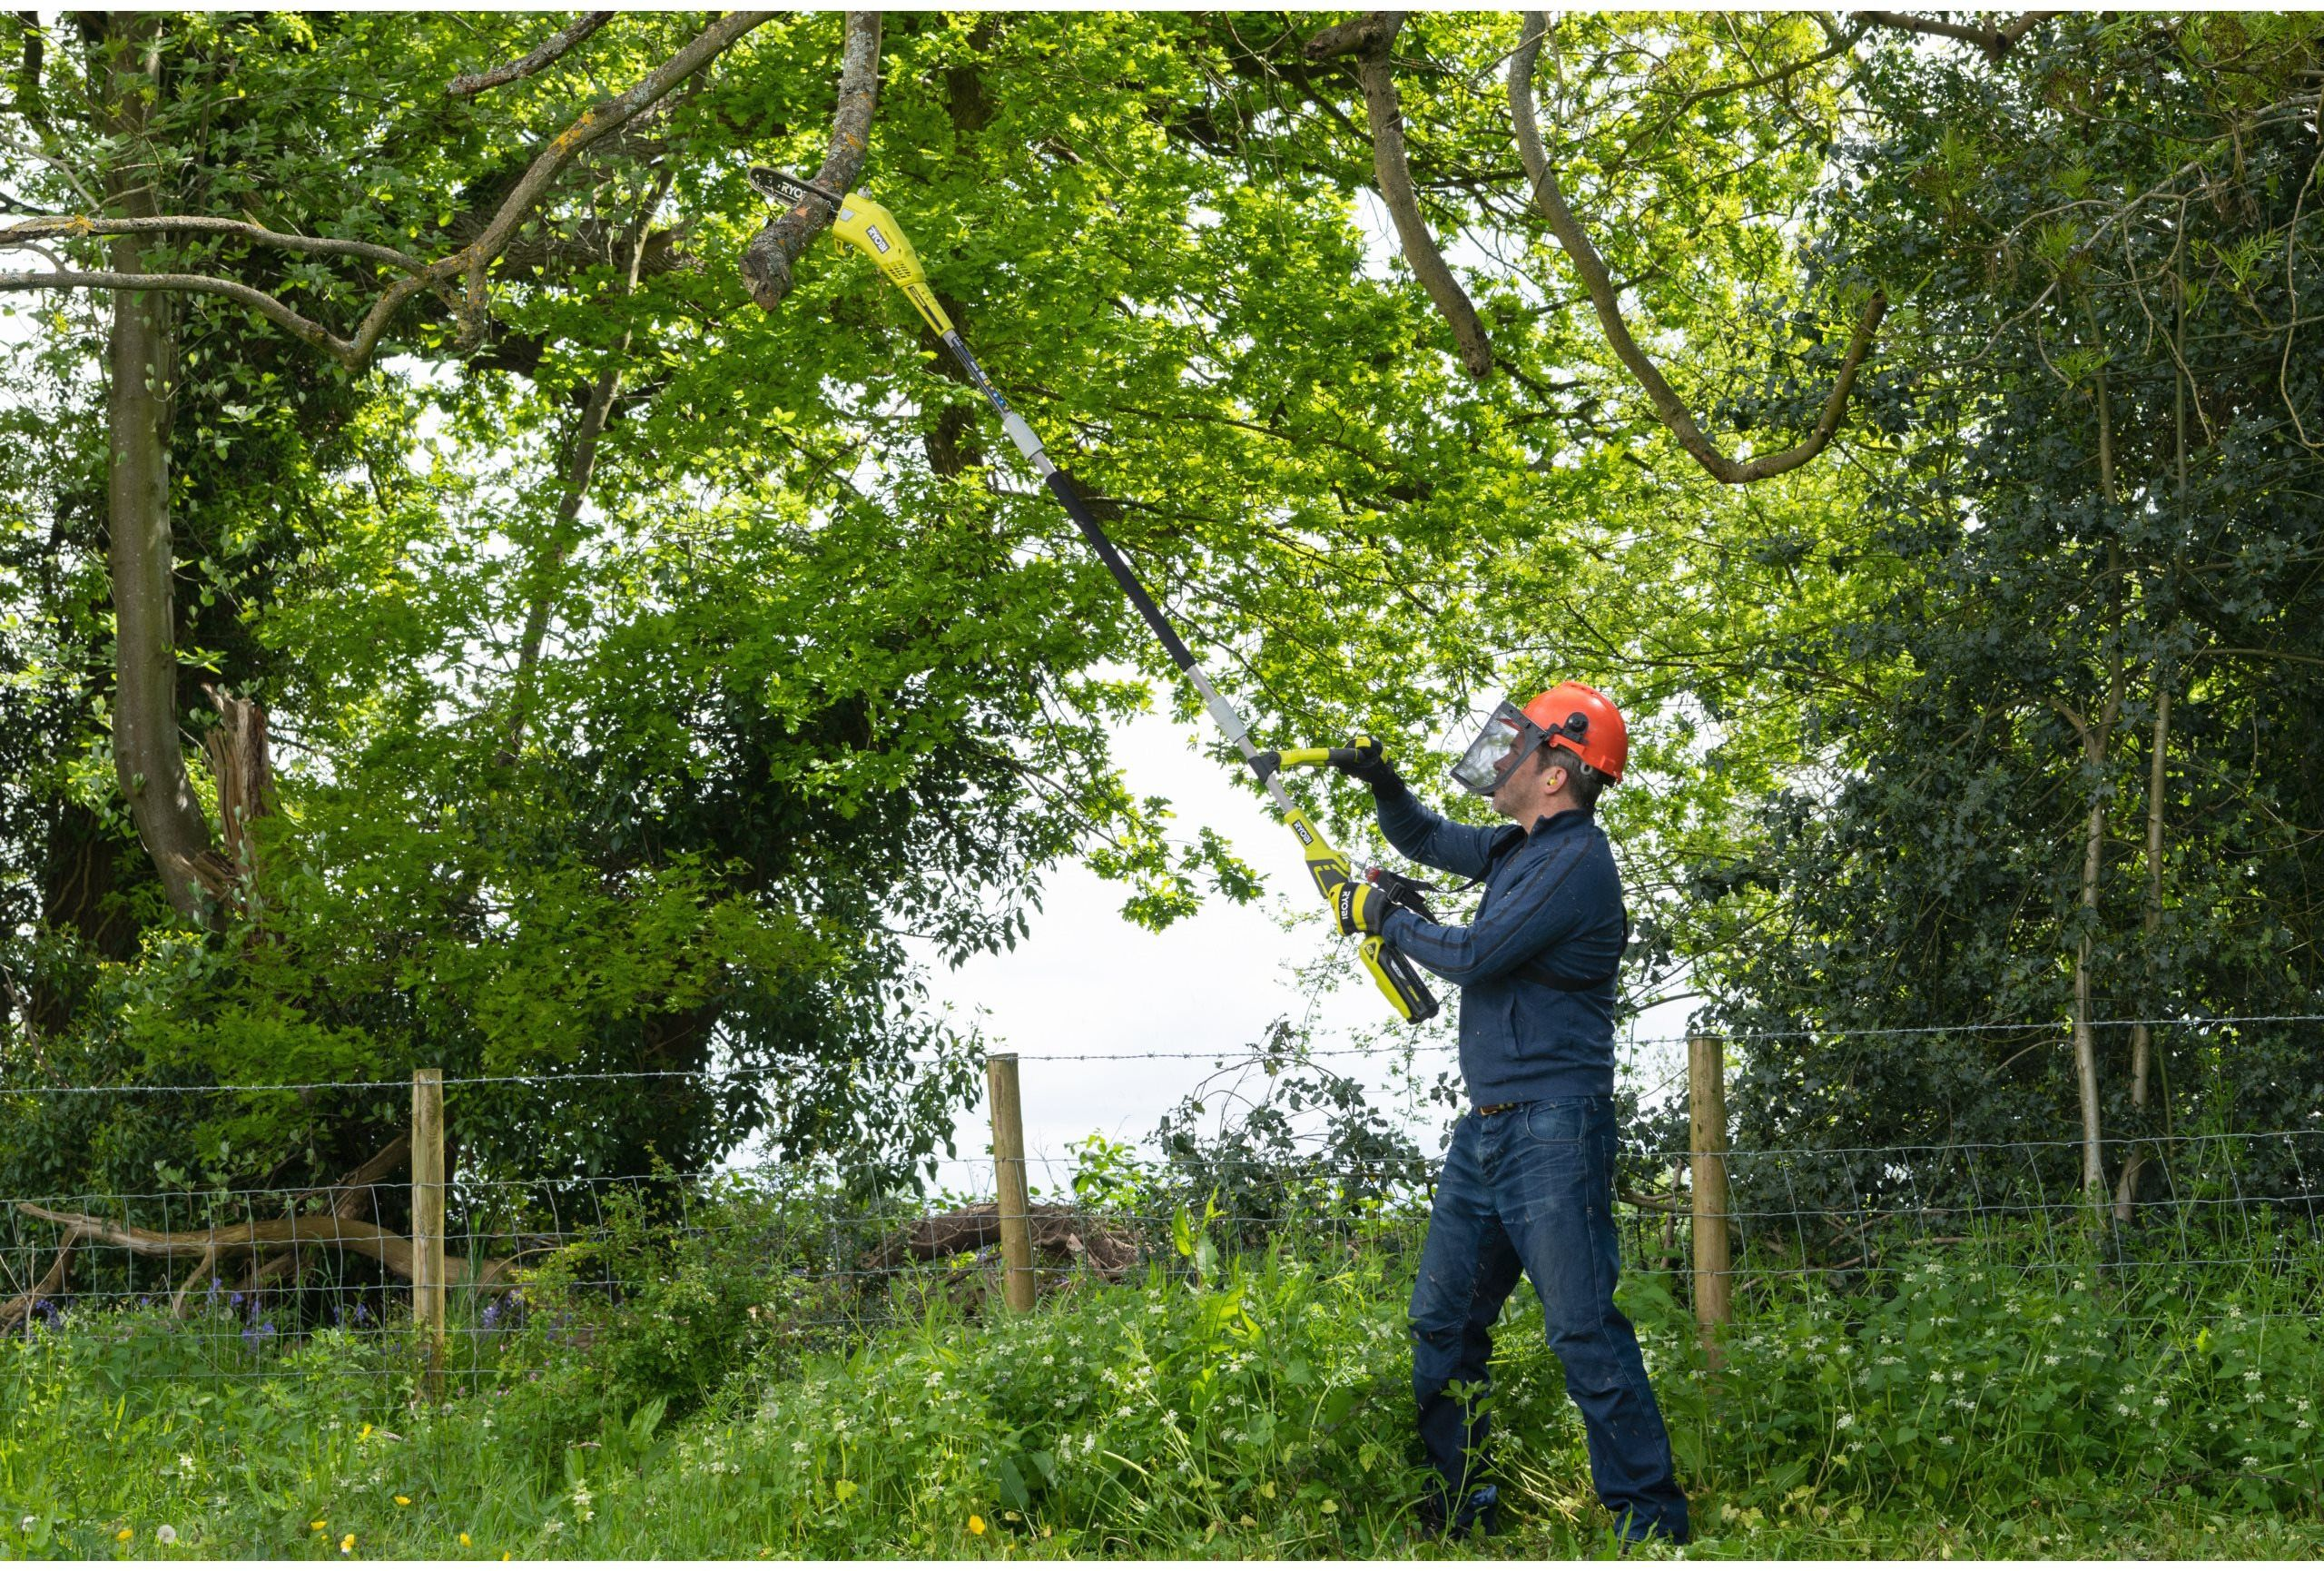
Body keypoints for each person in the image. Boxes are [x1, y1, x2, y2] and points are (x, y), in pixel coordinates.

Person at [1322, 683, 1690, 1546]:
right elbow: (1423, 837)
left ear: (1556, 771)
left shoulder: (1575, 863)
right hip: (1489, 1130)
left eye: (1518, 742)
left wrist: (1384, 916)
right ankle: (1462, 1509)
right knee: (1444, 1324)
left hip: (1554, 1128)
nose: (1500, 752)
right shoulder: (1517, 849)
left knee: (1583, 1328)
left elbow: (1478, 954)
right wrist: (1384, 784)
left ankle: (1653, 1529)